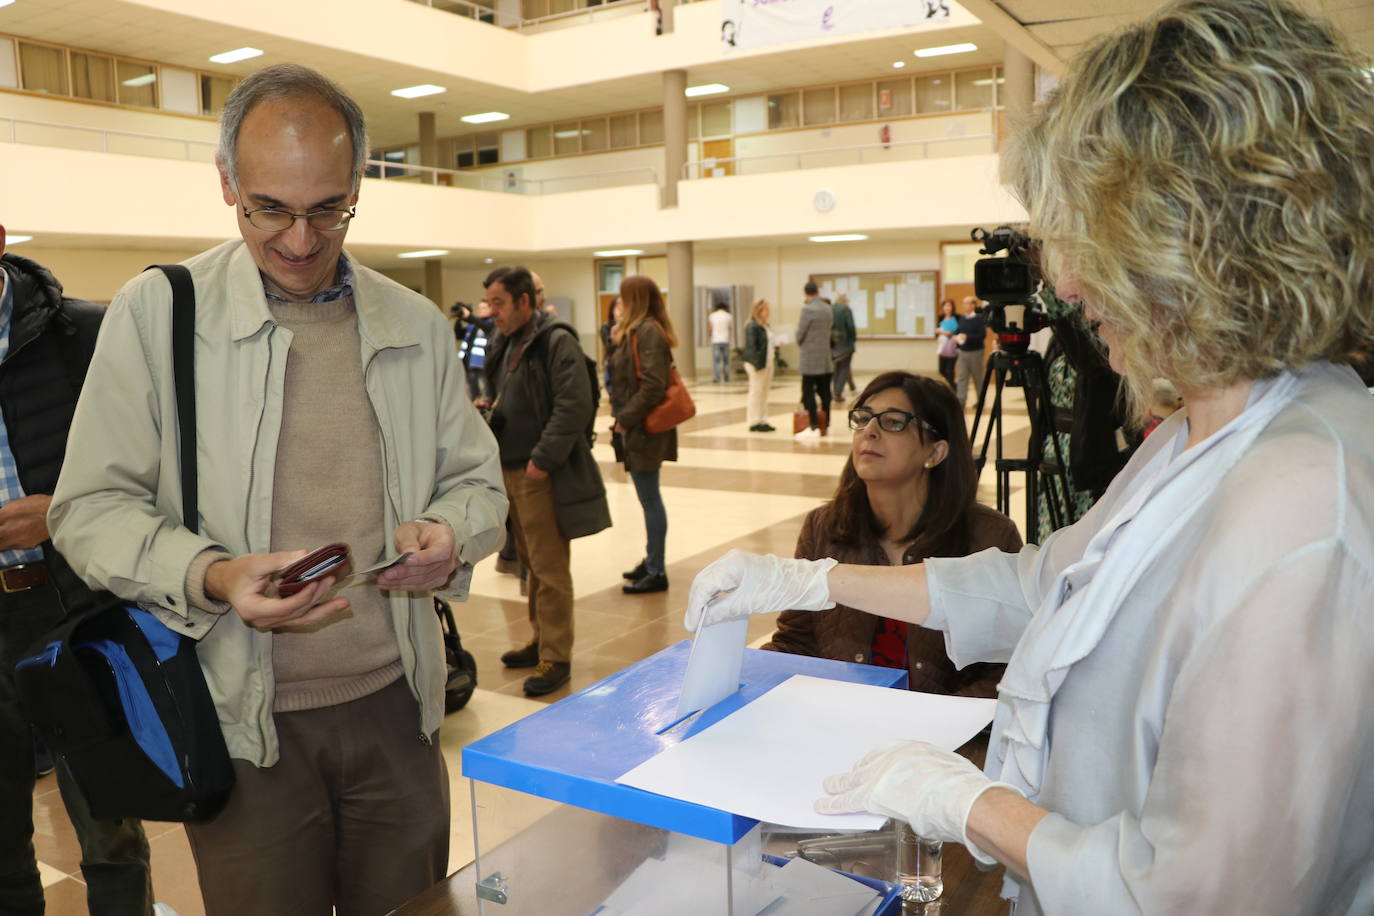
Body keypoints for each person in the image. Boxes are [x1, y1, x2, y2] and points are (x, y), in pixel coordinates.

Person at [684, 1, 1374, 911]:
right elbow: (1040, 584)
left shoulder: (1304, 503)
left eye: (1096, 245)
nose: (1072, 287)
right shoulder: (1201, 432)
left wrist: (977, 808)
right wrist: (812, 580)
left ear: (1202, 243)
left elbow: (1204, 891)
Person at [48, 64, 509, 916]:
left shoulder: (412, 324)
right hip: (237, 722)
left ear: (358, 184)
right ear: (227, 181)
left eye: (328, 210)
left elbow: (477, 483)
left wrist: (450, 533)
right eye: (270, 209)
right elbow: (88, 510)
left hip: (398, 713)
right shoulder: (159, 315)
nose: (300, 239)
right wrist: (214, 574)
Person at [0, 233, 154, 914]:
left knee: (108, 825)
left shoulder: (83, 334)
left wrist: (63, 511)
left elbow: (156, 467)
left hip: (71, 605)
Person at [762, 372, 1021, 694]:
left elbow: (1010, 668)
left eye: (893, 422)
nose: (869, 431)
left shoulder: (990, 537)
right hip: (843, 716)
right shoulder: (823, 526)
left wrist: (936, 719)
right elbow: (796, 642)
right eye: (863, 418)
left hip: (945, 725)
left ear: (935, 452)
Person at [481, 265, 611, 695]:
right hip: (510, 468)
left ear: (524, 301)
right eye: (489, 302)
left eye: (499, 302)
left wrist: (542, 460)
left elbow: (574, 405)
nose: (492, 311)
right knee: (530, 565)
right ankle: (540, 639)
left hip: (538, 473)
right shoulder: (506, 340)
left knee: (550, 567)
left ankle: (556, 656)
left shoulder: (556, 340)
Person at [609, 276, 678, 594]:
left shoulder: (648, 331)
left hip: (645, 428)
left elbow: (653, 385)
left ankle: (656, 569)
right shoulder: (637, 330)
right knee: (647, 497)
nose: (619, 303)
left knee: (650, 499)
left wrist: (625, 419)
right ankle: (651, 559)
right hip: (639, 426)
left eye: (623, 298)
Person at [795, 281, 833, 440]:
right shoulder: (827, 309)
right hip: (825, 357)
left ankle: (813, 425)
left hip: (810, 357)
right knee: (825, 392)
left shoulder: (807, 309)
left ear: (805, 293)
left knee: (808, 391)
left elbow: (800, 334)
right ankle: (827, 424)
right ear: (818, 291)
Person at [742, 298, 775, 432]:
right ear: (759, 310)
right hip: (757, 363)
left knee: (764, 392)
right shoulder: (752, 325)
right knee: (756, 392)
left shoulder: (765, 325)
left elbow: (767, 343)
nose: (768, 312)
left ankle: (763, 419)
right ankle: (753, 421)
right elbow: (752, 347)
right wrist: (758, 365)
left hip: (768, 361)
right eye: (766, 309)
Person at [953, 295, 988, 407]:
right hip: (963, 352)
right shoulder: (962, 318)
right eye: (964, 303)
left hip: (975, 352)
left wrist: (967, 337)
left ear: (973, 305)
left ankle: (981, 401)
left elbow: (982, 335)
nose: (964, 305)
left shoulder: (979, 319)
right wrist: (955, 337)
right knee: (962, 377)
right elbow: (958, 331)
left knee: (977, 377)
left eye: (967, 303)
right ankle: (961, 401)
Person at [458, 300, 493, 402]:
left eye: (484, 308)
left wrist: (470, 316)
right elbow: (459, 334)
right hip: (470, 364)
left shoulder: (492, 323)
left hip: (483, 366)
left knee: (485, 396)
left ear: (491, 309)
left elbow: (486, 327)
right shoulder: (473, 326)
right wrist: (459, 319)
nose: (481, 310)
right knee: (472, 396)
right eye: (479, 308)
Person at [830, 292, 858, 405]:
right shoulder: (846, 310)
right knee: (844, 368)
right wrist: (853, 339)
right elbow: (850, 326)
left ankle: (835, 391)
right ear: (845, 301)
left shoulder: (831, 309)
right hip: (845, 343)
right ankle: (838, 393)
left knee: (836, 368)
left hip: (834, 344)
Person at [600, 295, 622, 396]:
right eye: (617, 305)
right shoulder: (606, 327)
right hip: (612, 365)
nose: (620, 309)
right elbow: (608, 346)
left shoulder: (629, 326)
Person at [935, 298, 959, 386]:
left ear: (952, 307)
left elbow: (958, 331)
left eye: (949, 306)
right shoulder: (940, 318)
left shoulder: (957, 318)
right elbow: (937, 332)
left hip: (952, 347)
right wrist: (937, 332)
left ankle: (953, 388)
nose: (947, 308)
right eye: (945, 306)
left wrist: (947, 333)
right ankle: (954, 386)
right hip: (942, 346)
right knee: (941, 370)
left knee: (949, 370)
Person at [707, 302, 732, 383]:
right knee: (726, 361)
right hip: (725, 340)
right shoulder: (729, 316)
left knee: (716, 361)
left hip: (716, 340)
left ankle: (717, 378)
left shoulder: (712, 316)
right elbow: (730, 327)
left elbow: (710, 328)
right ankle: (727, 377)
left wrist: (710, 335)